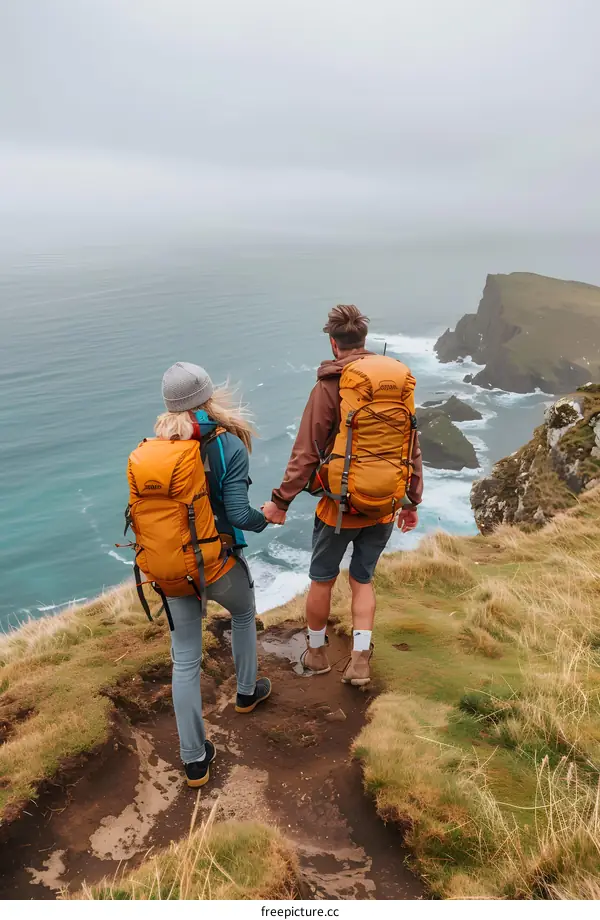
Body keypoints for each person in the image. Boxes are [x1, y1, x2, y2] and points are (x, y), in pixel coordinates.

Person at [262, 305, 423, 687]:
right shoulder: (397, 384)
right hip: (384, 506)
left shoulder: (331, 385)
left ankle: (316, 655)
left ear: (334, 344)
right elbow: (412, 445)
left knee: (322, 580)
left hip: (339, 508)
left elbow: (305, 451)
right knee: (362, 581)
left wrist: (280, 502)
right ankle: (360, 662)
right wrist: (412, 501)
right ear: (363, 341)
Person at [152, 363, 271, 787]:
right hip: (219, 561)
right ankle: (245, 692)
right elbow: (239, 513)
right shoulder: (227, 445)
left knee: (184, 658)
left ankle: (194, 760)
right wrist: (267, 519)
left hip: (174, 570)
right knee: (243, 613)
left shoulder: (155, 448)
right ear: (207, 397)